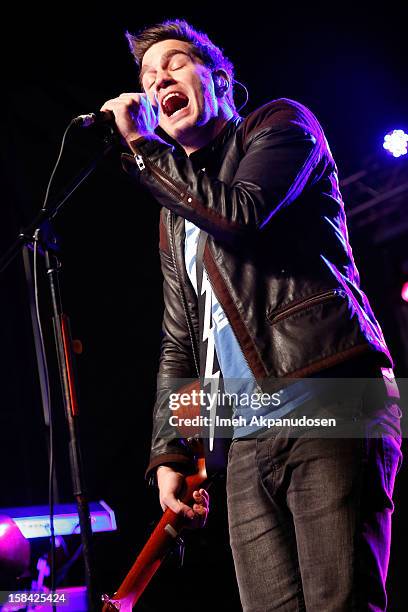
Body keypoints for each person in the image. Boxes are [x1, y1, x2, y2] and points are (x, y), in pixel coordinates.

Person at [101, 19, 403, 611]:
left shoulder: (281, 125)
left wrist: (144, 149)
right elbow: (178, 341)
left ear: (218, 81)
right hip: (244, 432)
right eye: (147, 74)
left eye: (176, 63)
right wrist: (173, 450)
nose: (158, 77)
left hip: (331, 394)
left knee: (338, 602)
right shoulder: (174, 214)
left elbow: (243, 215)